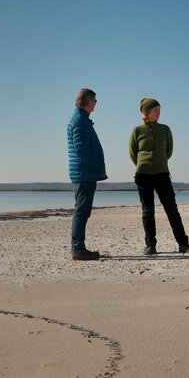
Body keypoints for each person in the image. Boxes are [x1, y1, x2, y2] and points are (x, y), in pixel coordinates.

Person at [129, 98, 189, 255]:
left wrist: (160, 163)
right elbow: (132, 153)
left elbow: (169, 151)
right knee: (148, 211)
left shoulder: (165, 129)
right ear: (147, 112)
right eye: (156, 110)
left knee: (172, 209)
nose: (159, 112)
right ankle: (150, 246)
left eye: (159, 109)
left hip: (162, 175)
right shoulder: (137, 130)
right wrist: (142, 165)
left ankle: (184, 244)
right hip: (143, 175)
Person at [67, 88, 107, 260]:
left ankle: (79, 247)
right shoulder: (79, 120)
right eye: (95, 101)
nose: (96, 104)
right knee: (82, 211)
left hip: (86, 172)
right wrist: (98, 163)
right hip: (84, 172)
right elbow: (81, 149)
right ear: (89, 101)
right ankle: (77, 248)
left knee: (83, 211)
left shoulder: (82, 119)